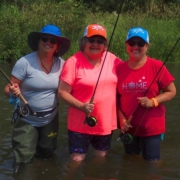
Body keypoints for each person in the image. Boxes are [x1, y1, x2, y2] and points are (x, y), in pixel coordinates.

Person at [4, 24, 70, 168]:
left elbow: (70, 88)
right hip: (27, 119)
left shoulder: (63, 65)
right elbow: (8, 88)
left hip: (50, 119)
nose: (48, 42)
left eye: (53, 40)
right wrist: (13, 91)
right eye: (44, 38)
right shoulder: (25, 62)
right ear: (38, 41)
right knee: (23, 160)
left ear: (57, 45)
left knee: (47, 155)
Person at [58, 24, 123, 162]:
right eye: (91, 40)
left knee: (100, 161)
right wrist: (82, 106)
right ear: (84, 42)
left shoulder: (112, 59)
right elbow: (62, 93)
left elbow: (130, 73)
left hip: (105, 123)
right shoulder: (73, 62)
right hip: (80, 123)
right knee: (76, 161)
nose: (95, 44)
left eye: (100, 41)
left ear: (104, 44)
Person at [117, 26, 176, 161]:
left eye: (140, 43)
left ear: (147, 46)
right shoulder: (119, 68)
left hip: (152, 128)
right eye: (132, 43)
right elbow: (116, 99)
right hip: (129, 128)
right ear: (126, 45)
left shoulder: (156, 65)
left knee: (151, 165)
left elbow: (172, 91)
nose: (135, 46)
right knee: (130, 164)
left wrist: (153, 101)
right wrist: (121, 120)